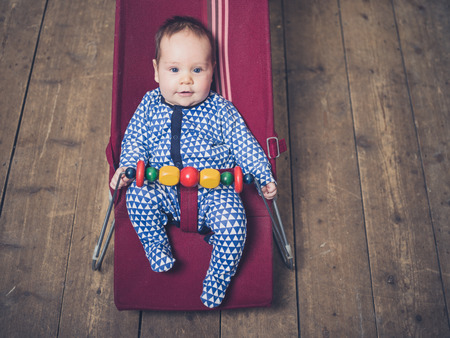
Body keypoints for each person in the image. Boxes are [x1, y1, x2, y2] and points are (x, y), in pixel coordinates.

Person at [110, 16, 277, 308]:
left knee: (234, 225)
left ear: (212, 71)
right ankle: (156, 244)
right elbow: (134, 139)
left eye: (197, 70)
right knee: (137, 198)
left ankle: (218, 277)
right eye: (174, 69)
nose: (186, 80)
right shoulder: (149, 106)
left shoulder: (220, 110)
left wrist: (264, 176)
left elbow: (243, 144)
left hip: (214, 191)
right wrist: (127, 167)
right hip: (160, 185)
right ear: (157, 71)